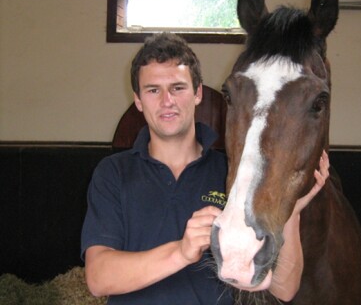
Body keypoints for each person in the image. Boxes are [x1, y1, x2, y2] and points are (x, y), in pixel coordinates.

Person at [81, 33, 329, 304]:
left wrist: (290, 212)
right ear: (138, 100)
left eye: (178, 88)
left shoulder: (230, 173)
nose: (167, 101)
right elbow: (98, 278)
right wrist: (182, 252)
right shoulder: (114, 173)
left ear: (198, 93)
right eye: (153, 90)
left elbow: (284, 288)